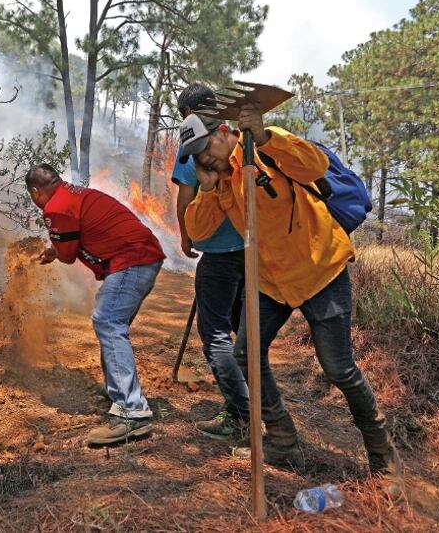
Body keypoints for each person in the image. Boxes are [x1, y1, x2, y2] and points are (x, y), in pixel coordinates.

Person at [179, 105, 400, 475]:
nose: (202, 157)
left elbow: (313, 166)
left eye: (204, 147)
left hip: (320, 269)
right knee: (247, 354)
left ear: (222, 132)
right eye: (195, 155)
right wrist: (206, 187)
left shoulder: (266, 148)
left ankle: (383, 455)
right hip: (271, 281)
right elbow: (199, 232)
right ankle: (283, 442)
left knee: (339, 369)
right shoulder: (223, 181)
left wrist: (264, 137)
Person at [27, 164, 165, 446]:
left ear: (35, 192)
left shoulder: (55, 207)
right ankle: (119, 391)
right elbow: (72, 242)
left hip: (132, 259)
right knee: (112, 322)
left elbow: (67, 256)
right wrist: (55, 250)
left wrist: (57, 252)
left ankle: (132, 412)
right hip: (141, 255)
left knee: (107, 321)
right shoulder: (69, 193)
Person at [171, 82, 250, 442]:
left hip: (218, 252)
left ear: (188, 113)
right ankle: (253, 401)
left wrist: (187, 237)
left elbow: (186, 196)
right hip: (253, 248)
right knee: (242, 327)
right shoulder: (238, 135)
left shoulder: (192, 144)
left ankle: (241, 411)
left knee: (215, 331)